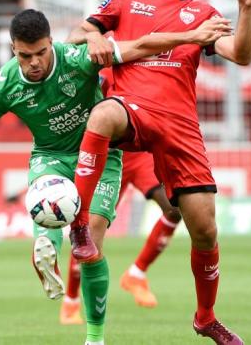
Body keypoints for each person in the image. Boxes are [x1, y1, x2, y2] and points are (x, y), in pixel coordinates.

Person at [0, 8, 231, 345]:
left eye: (41, 53)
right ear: (12, 49)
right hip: (49, 157)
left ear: (52, 43)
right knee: (48, 208)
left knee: (91, 241)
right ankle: (45, 242)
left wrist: (192, 36)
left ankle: (94, 337)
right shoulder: (1, 85)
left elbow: (139, 46)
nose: (34, 62)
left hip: (101, 157)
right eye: (24, 55)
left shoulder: (77, 57)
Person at [66, 0, 251, 345]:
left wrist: (245, 9)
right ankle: (80, 224)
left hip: (178, 125)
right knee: (102, 113)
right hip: (132, 107)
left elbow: (240, 55)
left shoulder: (203, 14)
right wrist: (97, 35)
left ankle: (206, 318)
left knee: (205, 230)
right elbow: (76, 35)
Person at [60, 68, 181, 325]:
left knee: (174, 209)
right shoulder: (103, 64)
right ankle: (70, 302)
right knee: (87, 231)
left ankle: (136, 274)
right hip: (105, 155)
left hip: (137, 155)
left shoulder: (146, 61)